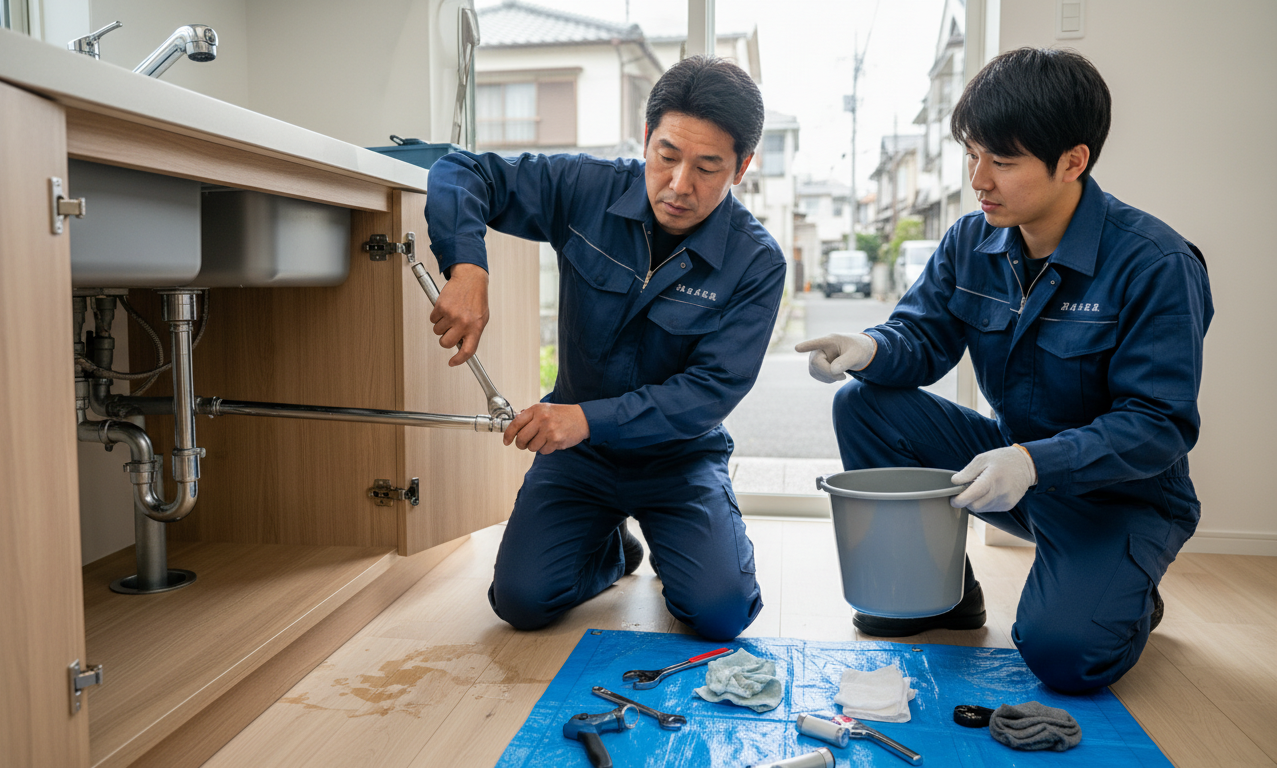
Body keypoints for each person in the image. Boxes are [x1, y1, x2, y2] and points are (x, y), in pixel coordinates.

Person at [796, 48, 1212, 692]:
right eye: (972, 154)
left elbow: (1158, 426)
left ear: (1073, 161)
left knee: (1063, 657)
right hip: (1013, 471)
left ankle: (1124, 596)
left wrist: (1035, 462)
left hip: (1120, 498)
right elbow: (922, 337)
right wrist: (870, 347)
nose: (978, 179)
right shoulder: (971, 240)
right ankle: (946, 594)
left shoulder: (1155, 263)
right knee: (863, 401)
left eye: (1003, 160)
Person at [423, 56, 785, 641]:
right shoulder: (586, 189)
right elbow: (460, 169)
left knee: (719, 614)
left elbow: (709, 392)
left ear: (741, 168)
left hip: (678, 459)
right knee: (520, 602)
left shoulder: (756, 262)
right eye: (666, 156)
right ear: (646, 139)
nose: (678, 185)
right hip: (581, 460)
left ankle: (681, 547)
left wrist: (586, 420)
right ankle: (612, 551)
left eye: (708, 167)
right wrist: (467, 266)